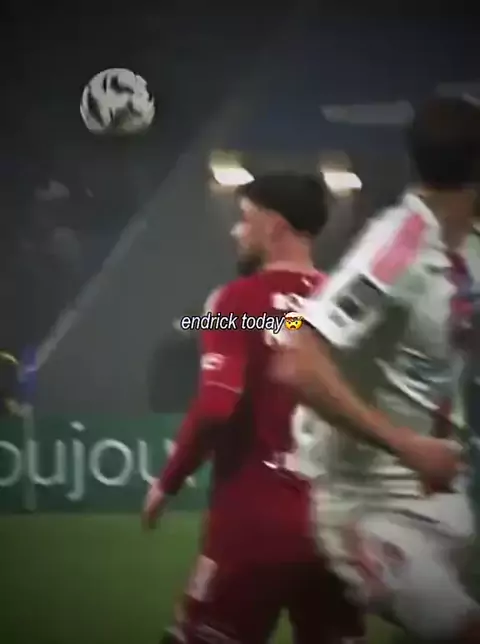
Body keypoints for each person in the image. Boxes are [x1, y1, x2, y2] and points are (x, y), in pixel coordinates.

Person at [272, 96, 480, 642]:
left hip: (447, 495)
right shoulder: (396, 248)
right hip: (369, 506)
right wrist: (405, 445)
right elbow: (298, 360)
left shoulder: (469, 250)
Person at [143, 173, 365, 644]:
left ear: (274, 225)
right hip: (336, 527)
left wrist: (168, 481)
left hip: (254, 525)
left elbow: (215, 406)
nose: (236, 231)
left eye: (244, 219)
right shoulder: (346, 308)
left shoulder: (236, 303)